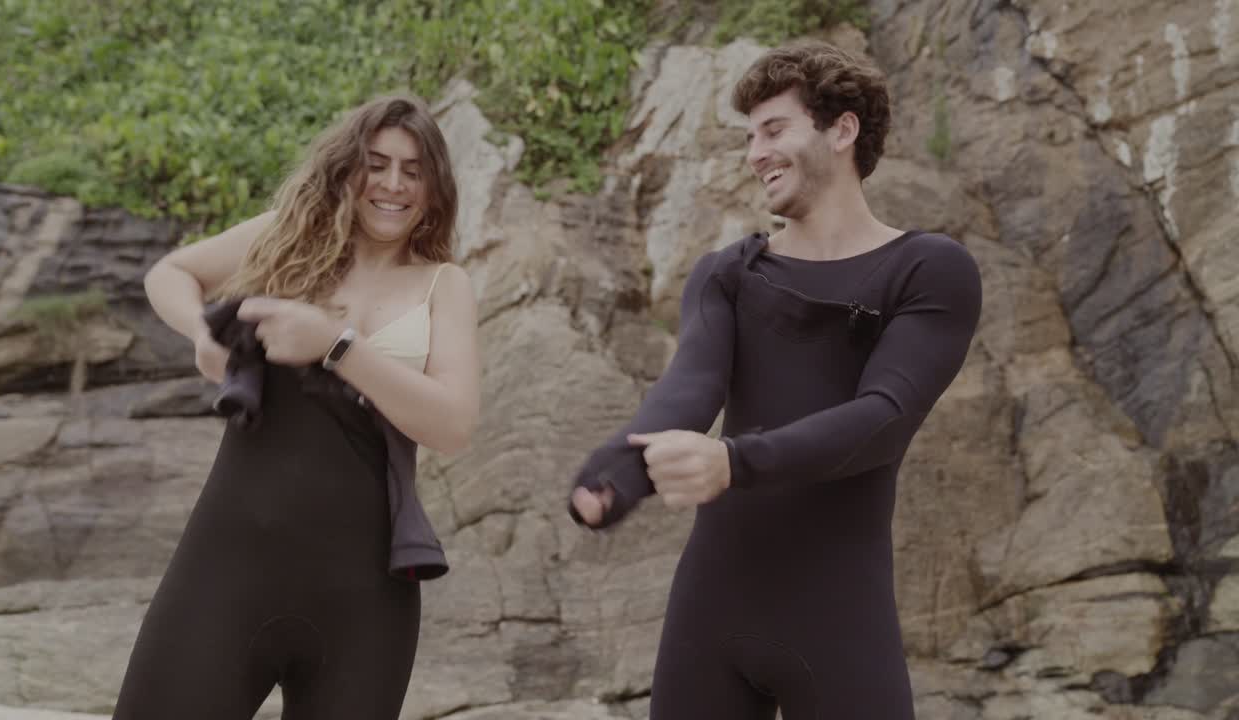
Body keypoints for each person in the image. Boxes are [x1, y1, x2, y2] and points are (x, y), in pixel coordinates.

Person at [569, 42, 982, 719]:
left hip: (840, 617)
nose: (755, 154)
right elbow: (689, 389)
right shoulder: (727, 274)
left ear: (841, 130)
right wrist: (618, 472)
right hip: (711, 614)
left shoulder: (929, 270)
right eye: (750, 137)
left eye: (773, 130)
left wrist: (734, 461)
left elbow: (884, 416)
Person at [114, 95, 480, 720]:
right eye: (377, 164)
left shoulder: (444, 284)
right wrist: (203, 336)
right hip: (226, 570)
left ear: (434, 186)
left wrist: (337, 345)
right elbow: (170, 273)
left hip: (365, 597)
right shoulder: (285, 238)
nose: (393, 184)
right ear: (347, 169)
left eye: (413, 170)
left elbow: (453, 425)